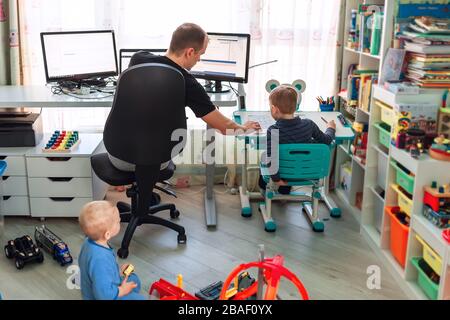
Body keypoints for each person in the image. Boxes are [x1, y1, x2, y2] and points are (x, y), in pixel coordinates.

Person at [109, 22, 260, 172]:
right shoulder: (188, 83)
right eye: (200, 54)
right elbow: (225, 128)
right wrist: (244, 128)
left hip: (117, 153)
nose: (199, 59)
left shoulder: (138, 58)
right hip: (155, 158)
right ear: (189, 52)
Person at [259, 85, 336, 195]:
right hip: (307, 172)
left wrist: (276, 180)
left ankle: (265, 189)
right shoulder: (309, 124)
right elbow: (327, 140)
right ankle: (285, 193)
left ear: (274, 109)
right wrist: (330, 128)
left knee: (264, 157)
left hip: (284, 175)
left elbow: (272, 160)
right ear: (296, 107)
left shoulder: (273, 130)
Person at [78, 201, 146, 300]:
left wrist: (117, 271)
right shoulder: (100, 259)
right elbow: (104, 296)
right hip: (105, 296)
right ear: (107, 234)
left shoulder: (88, 242)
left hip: (102, 287)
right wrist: (122, 290)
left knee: (134, 280)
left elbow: (100, 272)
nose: (120, 220)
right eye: (118, 221)